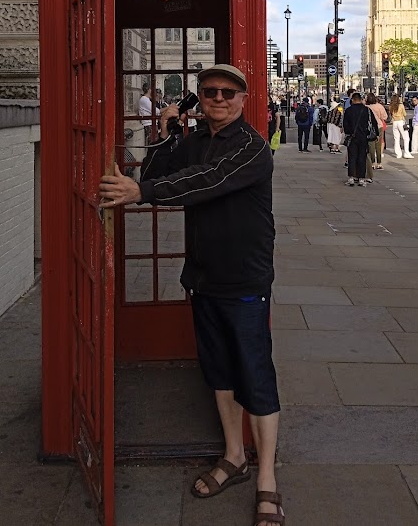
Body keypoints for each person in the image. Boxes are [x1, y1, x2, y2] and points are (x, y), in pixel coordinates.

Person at [98, 64, 284, 526]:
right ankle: (234, 455)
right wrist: (165, 131)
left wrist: (140, 189)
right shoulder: (196, 140)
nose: (217, 99)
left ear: (242, 99)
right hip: (203, 277)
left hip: (245, 280)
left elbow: (203, 183)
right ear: (198, 97)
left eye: (227, 93)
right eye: (209, 92)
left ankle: (267, 479)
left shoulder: (252, 149)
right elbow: (162, 173)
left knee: (255, 374)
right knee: (218, 370)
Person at [343, 92, 379, 187]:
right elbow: (373, 123)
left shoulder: (349, 110)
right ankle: (361, 179)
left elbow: (345, 125)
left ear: (353, 100)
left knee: (352, 157)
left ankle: (351, 177)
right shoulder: (367, 110)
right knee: (362, 157)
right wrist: (376, 135)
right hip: (363, 137)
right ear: (360, 99)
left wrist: (349, 132)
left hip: (352, 137)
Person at [366, 92, 387, 170]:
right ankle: (379, 162)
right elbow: (385, 116)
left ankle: (372, 162)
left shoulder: (366, 107)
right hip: (379, 126)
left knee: (371, 144)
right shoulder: (379, 106)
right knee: (378, 144)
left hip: (369, 127)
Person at [389, 94, 413, 158]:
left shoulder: (391, 106)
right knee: (406, 138)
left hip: (394, 122)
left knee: (396, 139)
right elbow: (404, 114)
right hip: (401, 121)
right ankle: (406, 152)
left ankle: (398, 154)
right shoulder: (401, 105)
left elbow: (391, 114)